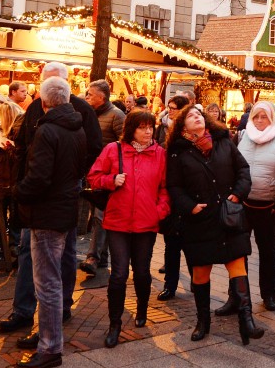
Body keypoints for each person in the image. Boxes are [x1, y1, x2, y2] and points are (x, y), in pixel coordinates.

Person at [0, 62, 97, 341]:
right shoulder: (34, 110)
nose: (48, 90)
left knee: (61, 257)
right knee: (29, 252)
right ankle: (23, 310)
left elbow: (90, 149)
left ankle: (57, 314)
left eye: (54, 84)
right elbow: (27, 145)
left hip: (56, 196)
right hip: (37, 194)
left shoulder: (80, 113)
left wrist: (69, 178)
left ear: (65, 86)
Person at [165, 106, 265, 345]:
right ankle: (203, 321)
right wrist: (190, 206)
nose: (196, 116)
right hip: (199, 220)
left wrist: (238, 194)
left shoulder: (223, 141)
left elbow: (243, 170)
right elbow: (174, 187)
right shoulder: (178, 151)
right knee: (200, 273)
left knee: (238, 266)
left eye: (199, 113)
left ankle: (246, 320)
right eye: (190, 116)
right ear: (182, 126)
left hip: (228, 216)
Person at [13, 77, 87, 368]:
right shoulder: (77, 127)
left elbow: (39, 178)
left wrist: (18, 191)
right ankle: (48, 337)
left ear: (43, 102)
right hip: (65, 208)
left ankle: (50, 346)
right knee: (53, 278)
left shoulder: (48, 130)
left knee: (47, 282)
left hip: (46, 213)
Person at [86, 109, 169, 348]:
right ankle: (115, 324)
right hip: (118, 222)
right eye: (142, 127)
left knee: (142, 272)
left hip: (146, 223)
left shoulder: (159, 154)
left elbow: (166, 188)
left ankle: (142, 308)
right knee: (119, 273)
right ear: (131, 128)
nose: (148, 131)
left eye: (150, 127)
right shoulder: (114, 149)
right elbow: (93, 177)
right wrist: (111, 181)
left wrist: (159, 211)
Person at [221, 100, 275, 313]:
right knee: (237, 253)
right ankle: (236, 297)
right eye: (256, 117)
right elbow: (228, 166)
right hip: (242, 205)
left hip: (268, 206)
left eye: (264, 117)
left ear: (272, 119)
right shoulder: (241, 136)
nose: (260, 121)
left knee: (267, 251)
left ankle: (269, 295)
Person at [81, 79, 125, 277]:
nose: (86, 96)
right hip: (91, 172)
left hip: (107, 175)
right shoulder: (88, 113)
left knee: (100, 216)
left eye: (90, 93)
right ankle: (101, 257)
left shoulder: (116, 115)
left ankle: (93, 257)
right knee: (97, 216)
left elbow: (124, 145)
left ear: (103, 96)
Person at [156, 95, 194, 300]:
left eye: (173, 108)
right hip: (170, 196)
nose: (169, 111)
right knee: (171, 247)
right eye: (168, 107)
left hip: (190, 198)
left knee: (191, 246)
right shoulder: (162, 128)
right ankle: (170, 285)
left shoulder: (194, 135)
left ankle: (197, 282)